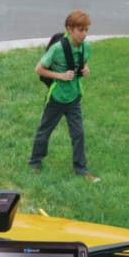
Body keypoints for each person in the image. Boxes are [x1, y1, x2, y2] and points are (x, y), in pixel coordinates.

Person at [28, 9, 99, 183]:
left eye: (86, 30)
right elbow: (39, 69)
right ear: (69, 29)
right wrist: (59, 76)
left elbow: (83, 62)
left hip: (74, 97)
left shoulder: (86, 47)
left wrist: (85, 69)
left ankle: (81, 169)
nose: (84, 34)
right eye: (80, 30)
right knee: (45, 131)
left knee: (78, 134)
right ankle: (35, 162)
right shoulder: (57, 48)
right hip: (57, 98)